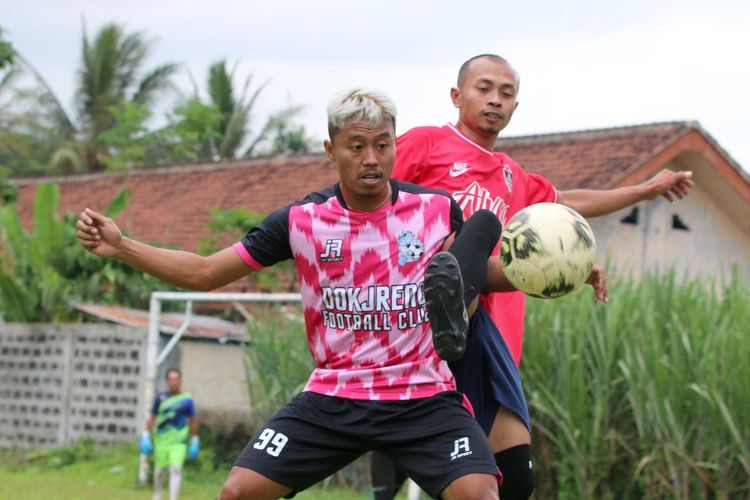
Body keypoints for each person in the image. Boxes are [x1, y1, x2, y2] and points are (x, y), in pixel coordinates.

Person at [76, 88, 506, 500]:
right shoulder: (301, 220)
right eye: (356, 147)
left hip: (422, 395)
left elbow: (482, 272)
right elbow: (206, 272)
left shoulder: (437, 209)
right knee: (238, 492)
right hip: (334, 396)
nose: (371, 159)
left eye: (382, 145)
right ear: (330, 149)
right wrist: (122, 246)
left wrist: (555, 270)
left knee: (479, 493)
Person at [372, 53, 695, 499]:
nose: (494, 100)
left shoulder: (513, 175)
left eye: (506, 93)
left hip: (487, 338)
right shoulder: (426, 143)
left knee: (514, 481)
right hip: (414, 328)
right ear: (456, 95)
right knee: (416, 462)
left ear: (516, 107)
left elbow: (567, 205)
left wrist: (642, 196)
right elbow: (371, 196)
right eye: (483, 88)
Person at [140, 368, 199, 500]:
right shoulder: (160, 398)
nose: (174, 383)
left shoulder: (187, 400)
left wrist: (195, 440)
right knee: (159, 471)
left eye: (176, 380)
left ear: (180, 381)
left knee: (176, 469)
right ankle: (158, 494)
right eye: (171, 380)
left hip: (179, 442)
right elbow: (152, 418)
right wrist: (145, 435)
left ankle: (173, 497)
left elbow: (193, 420)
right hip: (162, 441)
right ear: (167, 381)